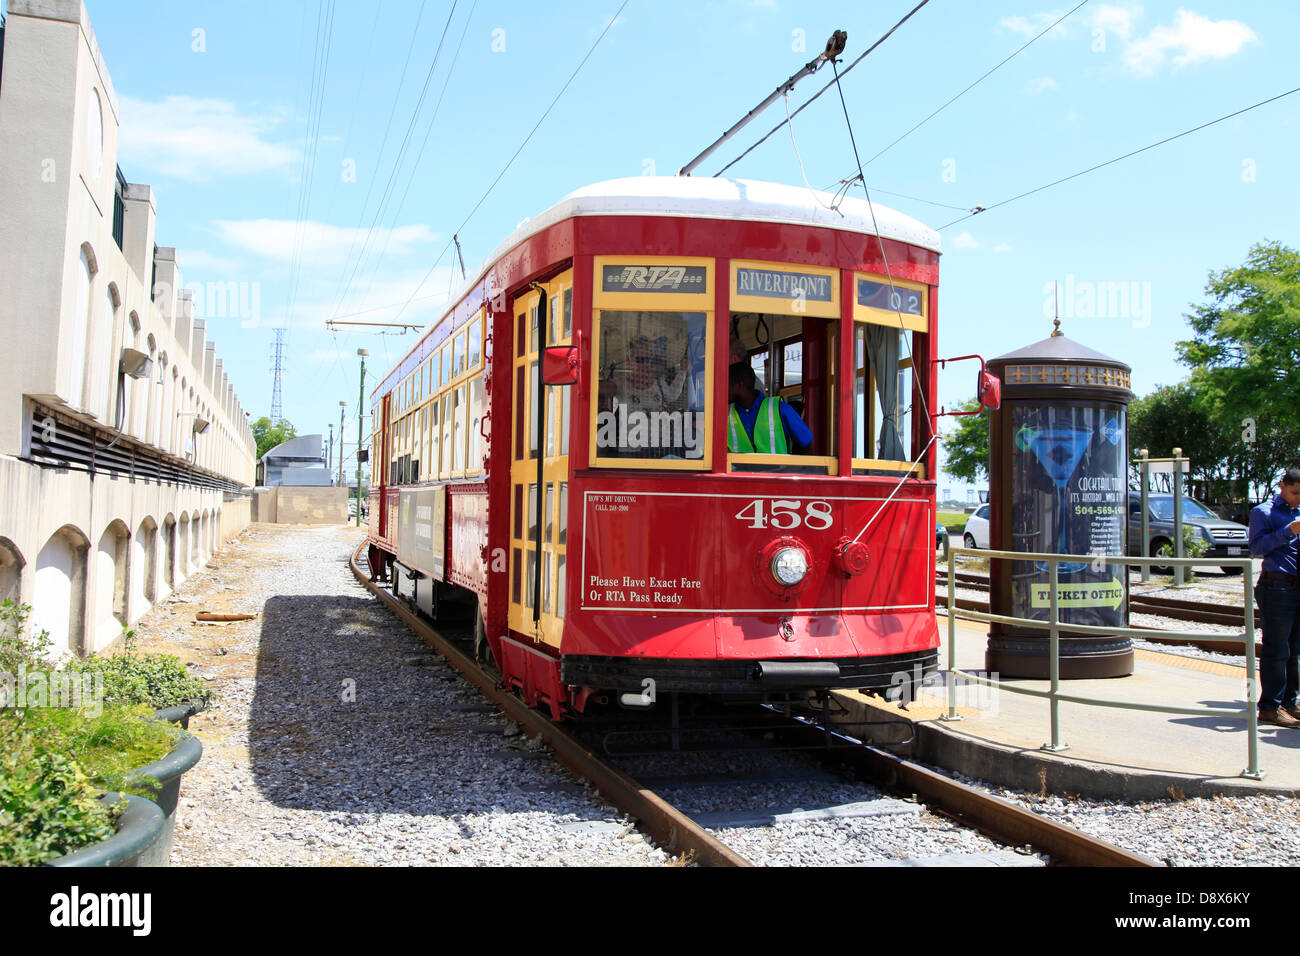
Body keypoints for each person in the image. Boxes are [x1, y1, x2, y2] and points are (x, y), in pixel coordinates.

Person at [1248, 467, 1300, 728]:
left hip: (1296, 585)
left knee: (1294, 650)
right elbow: (1256, 547)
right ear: (1282, 486)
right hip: (1276, 585)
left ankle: (1290, 702)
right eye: (1295, 493)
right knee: (1277, 649)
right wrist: (1288, 532)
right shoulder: (1263, 512)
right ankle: (1269, 706)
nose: (1298, 499)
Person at [727, 361, 812, 454]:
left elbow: (806, 444)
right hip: (736, 469)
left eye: (727, 384)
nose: (722, 389)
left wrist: (796, 468)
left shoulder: (780, 409)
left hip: (779, 469)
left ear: (740, 385)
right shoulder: (725, 413)